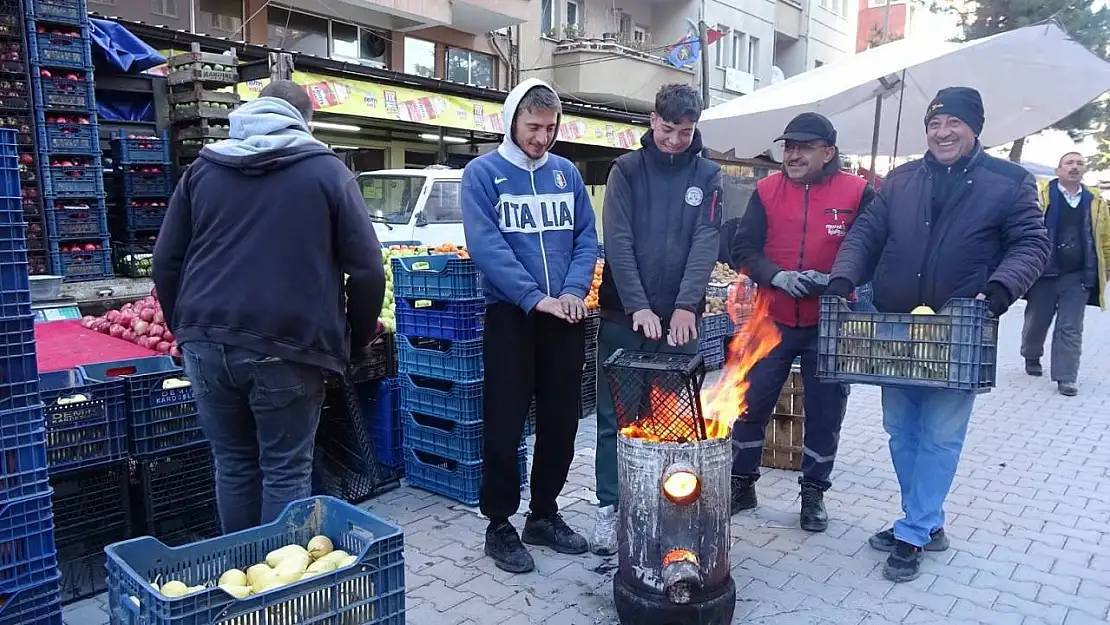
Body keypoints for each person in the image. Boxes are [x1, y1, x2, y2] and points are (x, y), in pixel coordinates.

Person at [825, 87, 1050, 582]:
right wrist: (844, 276)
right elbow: (866, 234)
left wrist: (997, 291)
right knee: (901, 431)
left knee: (940, 436)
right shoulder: (901, 180)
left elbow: (1032, 243)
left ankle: (913, 531)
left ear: (975, 128)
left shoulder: (1009, 183)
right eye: (934, 124)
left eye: (953, 124)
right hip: (896, 330)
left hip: (960, 331)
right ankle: (927, 521)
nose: (943, 133)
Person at [152, 80, 385, 533]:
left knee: (234, 464)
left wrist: (184, 328)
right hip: (288, 347)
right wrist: (354, 343)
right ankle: (275, 593)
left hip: (206, 341)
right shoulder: (326, 171)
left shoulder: (202, 169)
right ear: (305, 120)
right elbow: (368, 271)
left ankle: (240, 579)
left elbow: (165, 261)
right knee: (284, 469)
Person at [461, 78, 598, 574]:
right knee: (504, 421)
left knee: (562, 422)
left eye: (550, 127)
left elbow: (586, 237)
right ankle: (499, 524)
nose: (542, 137)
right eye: (533, 126)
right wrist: (532, 298)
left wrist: (572, 293)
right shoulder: (482, 174)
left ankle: (544, 513)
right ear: (512, 120)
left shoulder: (566, 174)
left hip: (564, 316)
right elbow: (486, 246)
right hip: (511, 317)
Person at [590, 84, 722, 556]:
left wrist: (686, 306)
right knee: (616, 418)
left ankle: (669, 508)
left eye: (685, 132)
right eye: (668, 129)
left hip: (680, 323)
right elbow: (618, 241)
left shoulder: (709, 174)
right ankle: (609, 508)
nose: (674, 140)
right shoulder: (625, 170)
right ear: (652, 121)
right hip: (625, 316)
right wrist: (638, 305)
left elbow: (707, 240)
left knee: (674, 421)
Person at [728, 112, 875, 531]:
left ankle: (813, 492)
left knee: (826, 410)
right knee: (750, 403)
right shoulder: (766, 189)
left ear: (828, 151)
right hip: (771, 317)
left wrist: (837, 281)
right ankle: (742, 482)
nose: (792, 154)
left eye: (804, 147)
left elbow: (872, 251)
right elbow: (743, 248)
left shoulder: (858, 193)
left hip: (829, 319)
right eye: (788, 146)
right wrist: (777, 276)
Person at [1020, 152, 1110, 396]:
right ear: (1058, 170)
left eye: (1079, 163)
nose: (1075, 167)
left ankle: (1066, 377)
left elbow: (1103, 239)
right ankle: (1031, 354)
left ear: (1084, 171)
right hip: (1044, 272)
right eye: (1069, 163)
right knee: (1037, 320)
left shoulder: (1095, 201)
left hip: (1078, 274)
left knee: (1070, 327)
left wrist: (1106, 267)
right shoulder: (1041, 195)